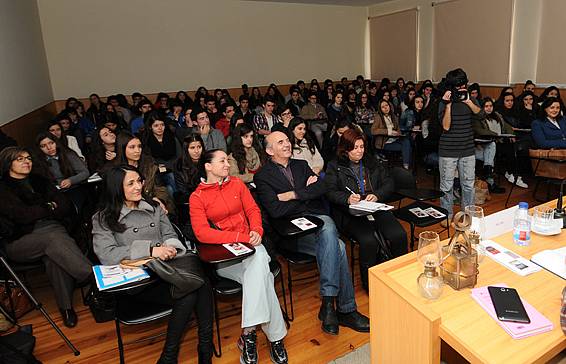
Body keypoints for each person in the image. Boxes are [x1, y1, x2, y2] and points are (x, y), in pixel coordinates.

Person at [92, 165, 213, 363]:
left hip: (166, 270)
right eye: (130, 183)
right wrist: (150, 249)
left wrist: (171, 248)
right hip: (137, 282)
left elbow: (170, 234)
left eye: (139, 181)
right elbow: (107, 254)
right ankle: (189, 351)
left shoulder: (154, 207)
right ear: (116, 188)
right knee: (194, 289)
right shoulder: (103, 218)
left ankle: (188, 352)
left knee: (198, 284)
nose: (138, 186)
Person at [254, 131, 369, 336]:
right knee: (339, 246)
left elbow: (322, 188)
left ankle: (329, 306)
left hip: (314, 224)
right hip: (291, 235)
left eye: (287, 140)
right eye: (281, 142)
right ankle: (344, 309)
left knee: (329, 231)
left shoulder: (301, 165)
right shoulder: (262, 176)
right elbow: (275, 210)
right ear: (269, 150)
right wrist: (305, 197)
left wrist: (294, 194)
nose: (287, 144)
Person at [190, 149, 288, 364]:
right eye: (223, 160)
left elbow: (253, 210)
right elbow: (201, 233)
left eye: (228, 159)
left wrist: (257, 231)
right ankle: (276, 338)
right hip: (226, 258)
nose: (228, 164)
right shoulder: (197, 196)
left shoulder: (237, 184)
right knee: (264, 276)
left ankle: (248, 335)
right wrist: (237, 236)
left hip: (252, 247)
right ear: (208, 166)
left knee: (259, 265)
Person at [0, 147, 92, 328]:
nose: (26, 161)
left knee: (53, 255)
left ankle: (66, 309)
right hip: (19, 239)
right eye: (20, 159)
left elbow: (64, 205)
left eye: (28, 158)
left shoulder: (40, 180)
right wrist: (48, 207)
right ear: (8, 164)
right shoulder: (2, 188)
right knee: (53, 239)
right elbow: (21, 215)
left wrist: (42, 210)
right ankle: (93, 278)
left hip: (52, 229)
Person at [325, 129, 407, 291]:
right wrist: (347, 199)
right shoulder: (335, 166)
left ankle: (400, 276)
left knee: (399, 235)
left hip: (374, 207)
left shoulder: (371, 162)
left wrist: (377, 195)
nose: (360, 151)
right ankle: (370, 285)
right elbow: (330, 191)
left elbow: (389, 183)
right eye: (355, 147)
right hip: (350, 213)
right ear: (346, 149)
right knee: (369, 241)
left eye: (362, 147)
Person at [438, 68, 483, 222]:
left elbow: (481, 114)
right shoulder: (444, 102)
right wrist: (448, 105)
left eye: (464, 85)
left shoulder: (470, 98)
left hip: (467, 149)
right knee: (446, 186)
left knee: (468, 185)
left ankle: (468, 215)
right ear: (451, 87)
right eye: (458, 87)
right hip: (448, 150)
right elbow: (446, 127)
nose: (462, 89)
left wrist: (469, 101)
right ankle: (447, 215)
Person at [114, 132, 174, 214]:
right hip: (127, 210)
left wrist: (159, 199)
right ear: (122, 148)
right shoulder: (115, 170)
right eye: (132, 147)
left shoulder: (149, 164)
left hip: (152, 205)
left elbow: (160, 188)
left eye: (139, 146)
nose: (137, 150)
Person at [472, 98, 514, 192]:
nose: (489, 108)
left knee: (493, 149)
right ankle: (490, 180)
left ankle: (488, 173)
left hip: (497, 143)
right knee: (492, 147)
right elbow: (480, 131)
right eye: (486, 106)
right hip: (481, 145)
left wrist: (511, 134)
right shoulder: (478, 118)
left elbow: (506, 126)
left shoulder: (497, 115)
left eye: (490, 106)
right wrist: (495, 135)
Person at [143, 112, 182, 196]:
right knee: (169, 185)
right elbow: (148, 161)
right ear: (150, 127)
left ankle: (179, 200)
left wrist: (169, 167)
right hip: (155, 172)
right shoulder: (146, 141)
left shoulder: (171, 137)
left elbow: (179, 156)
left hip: (174, 168)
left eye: (162, 125)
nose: (160, 128)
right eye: (156, 126)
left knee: (170, 187)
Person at [372, 99, 412, 169]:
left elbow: (399, 130)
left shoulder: (394, 117)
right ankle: (406, 167)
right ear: (380, 109)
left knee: (407, 142)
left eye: (386, 105)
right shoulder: (378, 117)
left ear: (389, 106)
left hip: (395, 139)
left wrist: (397, 133)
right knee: (407, 147)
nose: (385, 108)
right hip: (384, 143)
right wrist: (388, 131)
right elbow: (373, 131)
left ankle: (406, 165)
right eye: (383, 107)